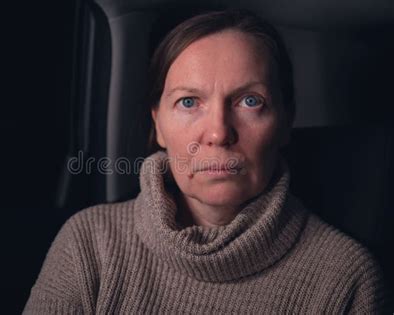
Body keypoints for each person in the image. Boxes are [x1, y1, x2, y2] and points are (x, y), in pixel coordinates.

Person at [23, 9, 386, 314]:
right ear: (158, 125)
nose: (218, 132)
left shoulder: (346, 278)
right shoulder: (89, 244)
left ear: (285, 122)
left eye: (249, 101)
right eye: (188, 102)